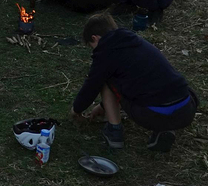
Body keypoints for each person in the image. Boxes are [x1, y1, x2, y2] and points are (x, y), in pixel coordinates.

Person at [69, 14, 198, 152]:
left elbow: (92, 86)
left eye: (92, 46)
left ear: (95, 38)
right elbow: (137, 82)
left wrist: (77, 109)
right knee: (161, 89)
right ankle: (166, 128)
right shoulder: (136, 42)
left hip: (153, 115)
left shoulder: (105, 53)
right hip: (186, 110)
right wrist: (103, 106)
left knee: (105, 80)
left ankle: (114, 131)